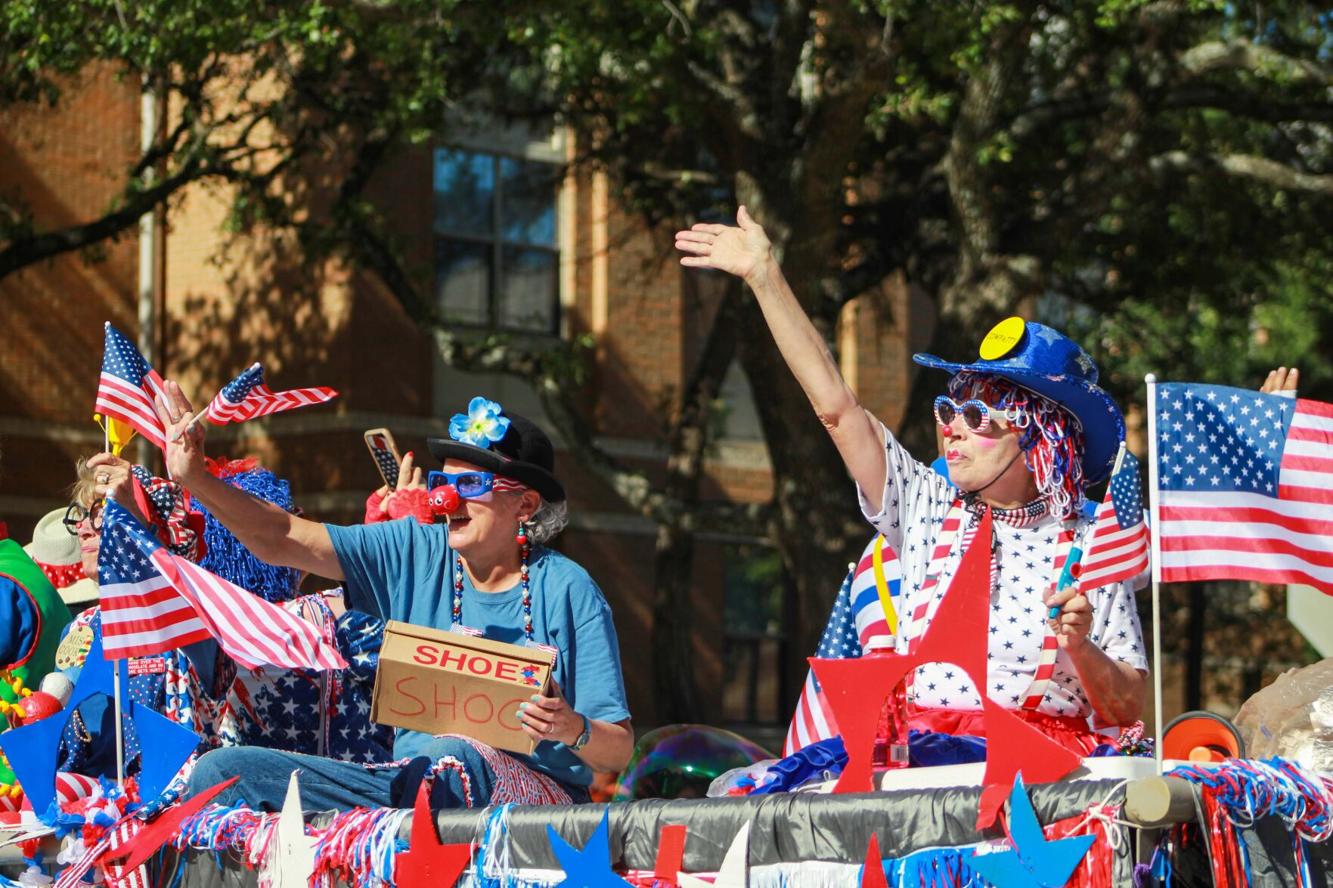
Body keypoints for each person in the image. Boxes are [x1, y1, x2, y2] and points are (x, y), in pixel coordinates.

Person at [677, 208, 1147, 753]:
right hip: (922, 774)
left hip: (1040, 787)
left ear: (1038, 436)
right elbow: (837, 408)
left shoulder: (1096, 547)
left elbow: (1129, 706)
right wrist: (766, 278)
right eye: (948, 410)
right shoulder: (930, 508)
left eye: (976, 418)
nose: (952, 431)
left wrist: (1082, 648)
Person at [169, 391, 633, 810]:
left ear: (525, 506)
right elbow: (284, 536)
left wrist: (569, 727)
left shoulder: (568, 589)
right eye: (440, 483)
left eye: (469, 487)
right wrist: (197, 479)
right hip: (411, 790)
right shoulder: (413, 549)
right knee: (221, 774)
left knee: (452, 756)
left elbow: (617, 750)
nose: (446, 501)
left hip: (534, 807)